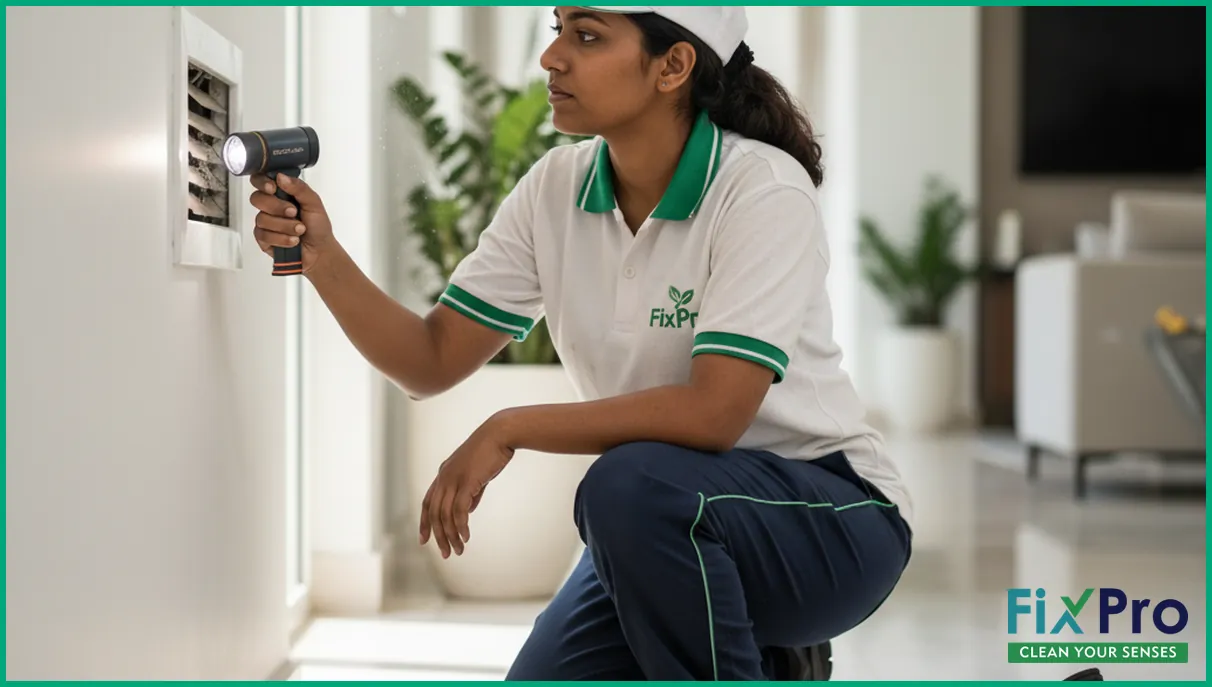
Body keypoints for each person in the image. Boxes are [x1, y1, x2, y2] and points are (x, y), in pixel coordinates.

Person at [246, 6, 913, 681]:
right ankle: (756, 648)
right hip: (662, 518)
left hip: (830, 516)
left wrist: (509, 427)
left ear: (673, 66)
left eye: (587, 36)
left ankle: (764, 644)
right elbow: (431, 358)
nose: (552, 57)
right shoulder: (554, 189)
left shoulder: (761, 188)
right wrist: (322, 256)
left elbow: (715, 414)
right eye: (558, 28)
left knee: (625, 483)